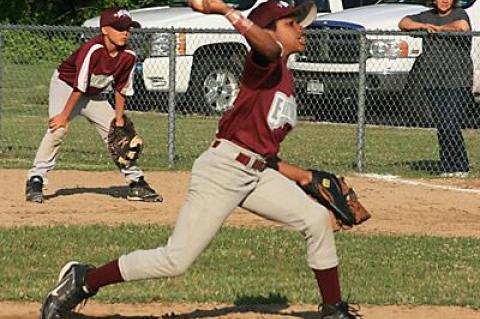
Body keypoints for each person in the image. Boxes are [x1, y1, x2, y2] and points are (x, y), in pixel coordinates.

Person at [39, 1, 360, 318]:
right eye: (290, 23)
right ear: (267, 32)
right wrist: (225, 11)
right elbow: (268, 49)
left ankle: (333, 309)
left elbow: (264, 151)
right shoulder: (264, 64)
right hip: (222, 170)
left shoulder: (286, 80)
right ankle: (84, 280)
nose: (300, 29)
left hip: (256, 173)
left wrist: (303, 177)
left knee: (316, 220)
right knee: (175, 260)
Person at [25, 7, 162, 203]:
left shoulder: (128, 55)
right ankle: (35, 179)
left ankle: (136, 182)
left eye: (128, 29)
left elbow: (122, 88)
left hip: (93, 94)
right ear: (105, 29)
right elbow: (79, 85)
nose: (125, 33)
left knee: (117, 136)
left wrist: (119, 118)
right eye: (120, 28)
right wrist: (64, 116)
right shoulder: (93, 49)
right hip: (66, 86)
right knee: (58, 130)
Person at [399, 0, 472, 177]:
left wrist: (440, 29)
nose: (444, 1)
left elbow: (462, 26)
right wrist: (424, 26)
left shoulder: (459, 13)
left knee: (449, 122)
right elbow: (403, 23)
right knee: (441, 124)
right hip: (433, 79)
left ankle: (460, 165)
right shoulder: (428, 15)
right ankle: (447, 165)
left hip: (456, 80)